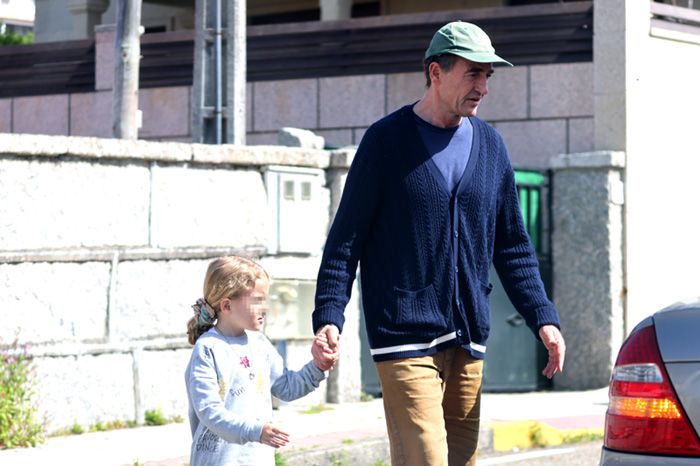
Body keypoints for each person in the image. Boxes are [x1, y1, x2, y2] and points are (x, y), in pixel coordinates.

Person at [311, 21, 566, 466]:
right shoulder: (385, 142)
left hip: (469, 335)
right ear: (436, 72)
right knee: (426, 459)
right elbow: (346, 239)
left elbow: (513, 246)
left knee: (459, 461)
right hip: (403, 334)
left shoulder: (491, 145)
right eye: (473, 73)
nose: (484, 87)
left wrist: (543, 317)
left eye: (489, 76)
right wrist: (329, 313)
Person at [185, 256, 334, 466]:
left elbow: (287, 387)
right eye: (257, 301)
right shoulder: (208, 349)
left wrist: (318, 366)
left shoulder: (260, 344)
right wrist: (256, 431)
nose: (265, 308)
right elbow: (209, 412)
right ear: (227, 305)